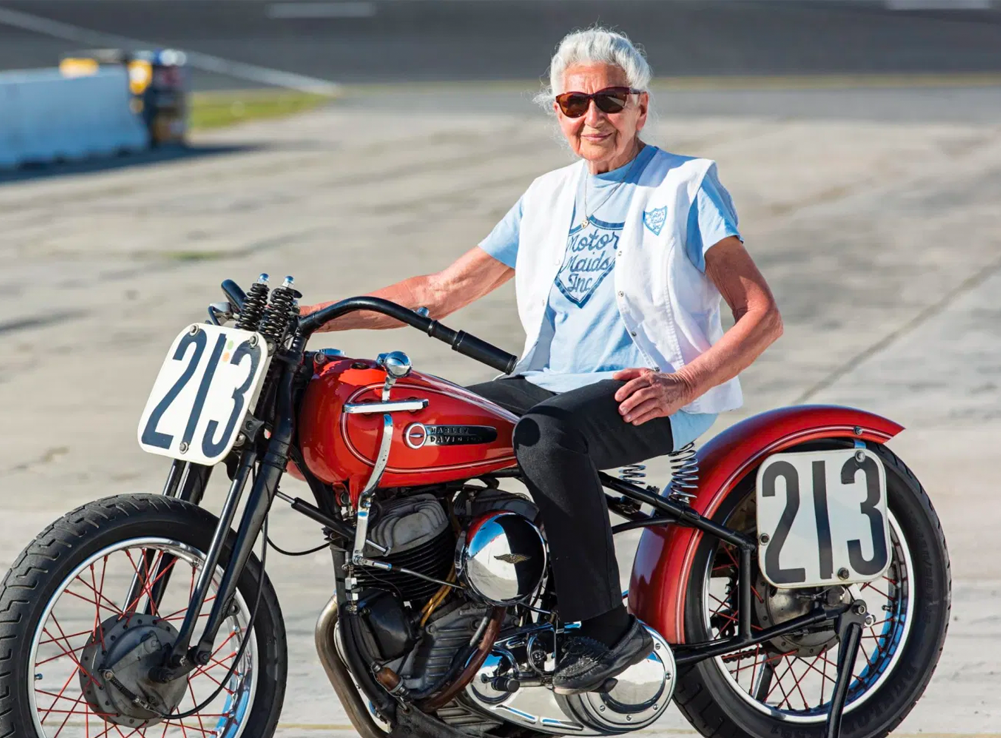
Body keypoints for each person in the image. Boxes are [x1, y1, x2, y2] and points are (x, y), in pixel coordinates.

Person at [299, 27, 783, 695]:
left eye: (611, 101)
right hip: (545, 385)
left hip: (644, 393)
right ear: (557, 114)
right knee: (414, 424)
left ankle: (606, 629)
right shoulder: (547, 197)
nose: (594, 118)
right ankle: (446, 616)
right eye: (574, 104)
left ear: (641, 107)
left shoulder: (685, 184)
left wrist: (684, 382)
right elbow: (437, 293)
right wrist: (308, 317)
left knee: (548, 435)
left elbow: (762, 315)